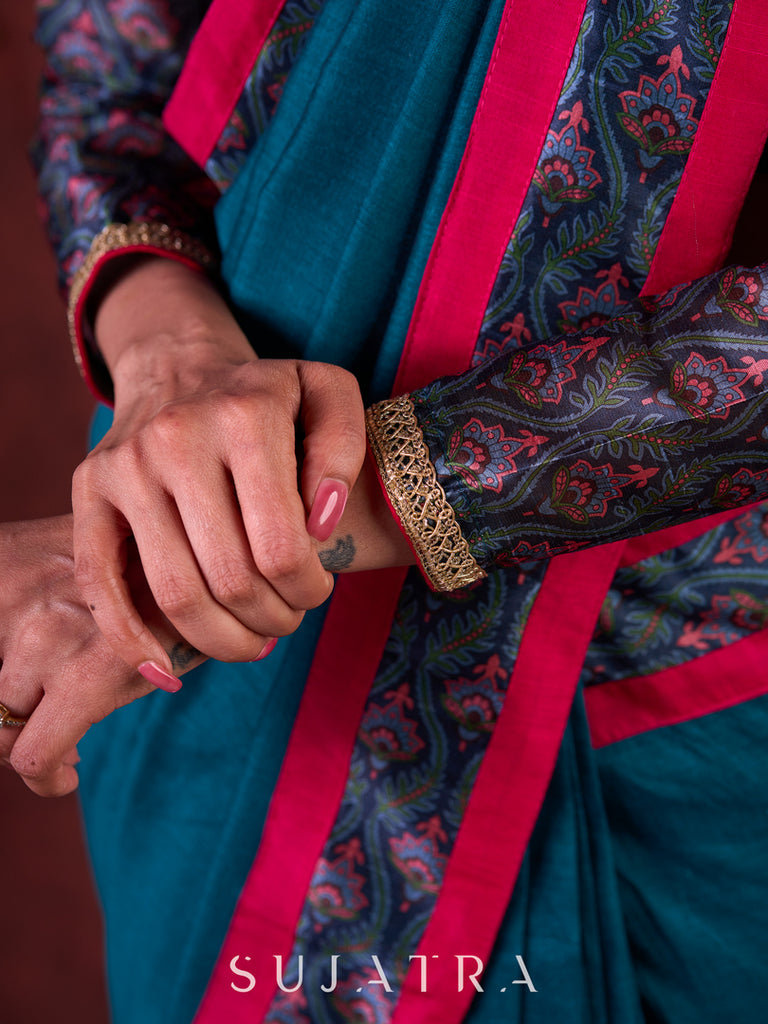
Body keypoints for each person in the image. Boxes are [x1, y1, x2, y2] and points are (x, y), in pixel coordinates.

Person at [10, 0, 768, 1021]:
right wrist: (164, 348)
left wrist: (217, 545)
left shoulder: (154, 571)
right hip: (212, 601)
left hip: (663, 681)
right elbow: (106, 41)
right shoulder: (163, 502)